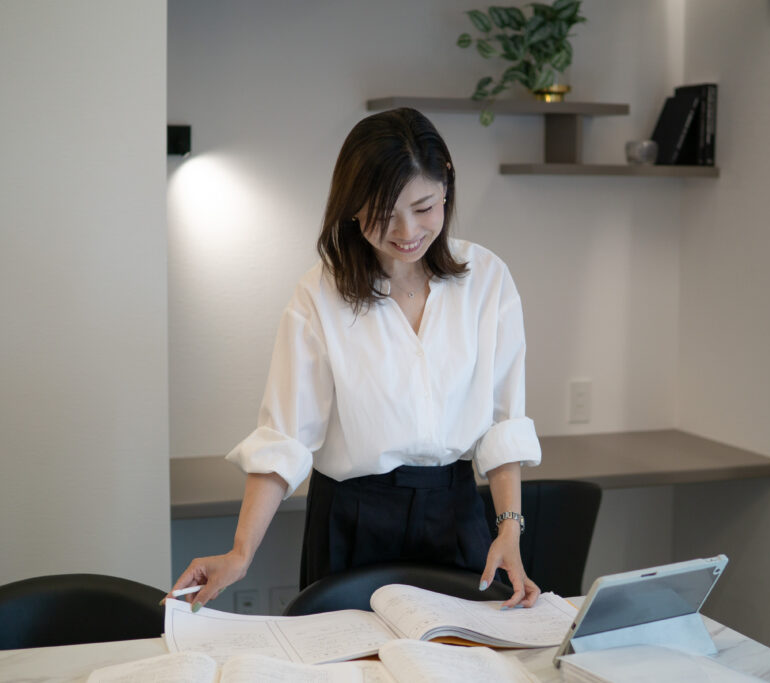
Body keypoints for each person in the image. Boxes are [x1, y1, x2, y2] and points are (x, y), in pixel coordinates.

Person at [167, 108, 542, 612]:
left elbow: (503, 426)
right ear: (352, 207)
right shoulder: (319, 295)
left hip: (455, 512)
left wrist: (509, 531)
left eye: (424, 206)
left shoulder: (488, 280)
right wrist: (240, 553)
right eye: (384, 214)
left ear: (446, 185)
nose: (407, 230)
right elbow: (285, 437)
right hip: (353, 520)